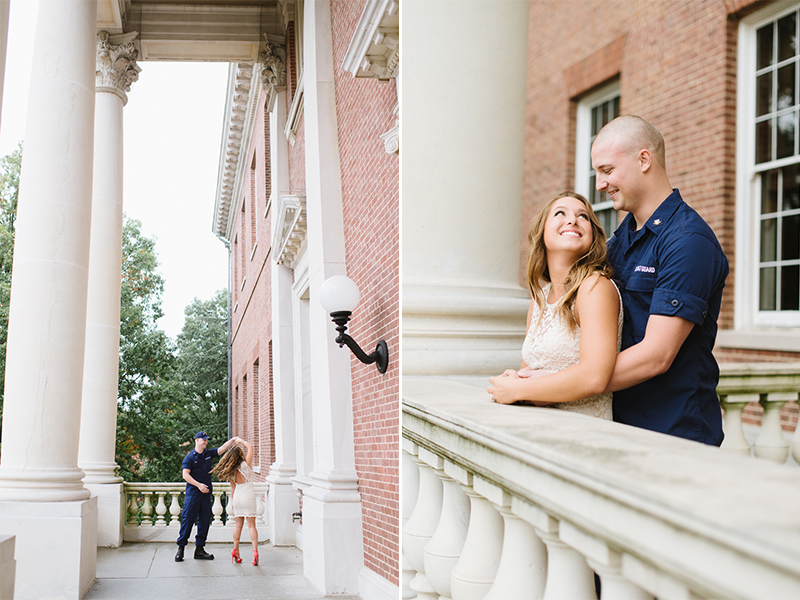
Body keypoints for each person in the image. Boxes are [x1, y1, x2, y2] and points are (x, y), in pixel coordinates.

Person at [591, 115, 729, 445]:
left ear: (643, 160)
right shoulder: (618, 241)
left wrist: (565, 383)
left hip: (674, 436)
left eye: (607, 171)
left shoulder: (688, 241)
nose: (599, 184)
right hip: (618, 427)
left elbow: (656, 355)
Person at [487, 192, 622, 418]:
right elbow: (528, 369)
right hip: (540, 425)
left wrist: (518, 389)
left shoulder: (594, 288)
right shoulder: (540, 298)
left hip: (583, 429)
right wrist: (513, 380)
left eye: (583, 217)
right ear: (542, 233)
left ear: (593, 236)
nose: (573, 220)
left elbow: (595, 377)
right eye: (560, 213)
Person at [175, 431, 237, 562]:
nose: (206, 442)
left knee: (204, 522)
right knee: (188, 520)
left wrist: (233, 440)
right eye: (203, 439)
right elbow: (185, 475)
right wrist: (199, 485)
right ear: (197, 440)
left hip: (206, 495)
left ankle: (200, 550)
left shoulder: (208, 454)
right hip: (193, 494)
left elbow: (222, 449)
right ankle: (180, 549)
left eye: (206, 440)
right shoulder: (189, 457)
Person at [211, 438, 260, 566]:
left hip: (237, 497)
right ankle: (255, 553)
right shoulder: (246, 465)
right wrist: (241, 441)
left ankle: (236, 551)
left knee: (238, 526)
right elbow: (250, 447)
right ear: (240, 456)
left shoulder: (231, 471)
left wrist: (233, 502)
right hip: (248, 496)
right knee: (251, 526)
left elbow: (233, 488)